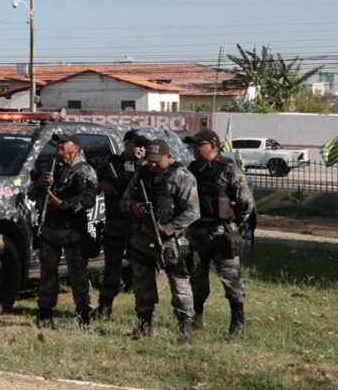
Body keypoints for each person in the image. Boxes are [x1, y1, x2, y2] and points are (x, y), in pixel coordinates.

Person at [121, 138, 200, 341]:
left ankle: (185, 331)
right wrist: (133, 207)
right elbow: (125, 200)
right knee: (142, 287)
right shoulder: (141, 174)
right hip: (142, 241)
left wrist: (166, 229)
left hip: (171, 243)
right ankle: (144, 327)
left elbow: (192, 212)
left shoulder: (181, 176)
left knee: (180, 287)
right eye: (150, 160)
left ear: (169, 156)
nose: (153, 165)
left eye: (157, 161)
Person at [184, 129, 256, 337]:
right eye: (193, 145)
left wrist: (232, 226)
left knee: (232, 282)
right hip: (196, 233)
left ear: (213, 147)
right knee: (197, 281)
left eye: (199, 145)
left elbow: (246, 204)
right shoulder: (191, 169)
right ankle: (196, 317)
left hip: (222, 236)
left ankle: (237, 322)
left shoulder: (230, 171)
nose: (195, 149)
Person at [27, 130, 98, 327]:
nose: (59, 146)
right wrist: (40, 183)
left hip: (73, 231)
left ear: (75, 148)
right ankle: (44, 315)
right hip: (50, 231)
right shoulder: (52, 168)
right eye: (58, 143)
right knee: (47, 274)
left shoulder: (84, 171)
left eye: (64, 143)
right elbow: (32, 196)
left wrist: (62, 204)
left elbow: (88, 199)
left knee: (78, 276)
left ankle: (84, 316)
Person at [94, 130, 146, 319]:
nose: (141, 149)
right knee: (112, 269)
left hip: (138, 225)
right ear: (126, 143)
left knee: (140, 270)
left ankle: (144, 313)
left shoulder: (146, 167)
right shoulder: (111, 162)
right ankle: (104, 307)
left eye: (143, 146)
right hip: (115, 223)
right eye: (137, 144)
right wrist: (102, 185)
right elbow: (92, 181)